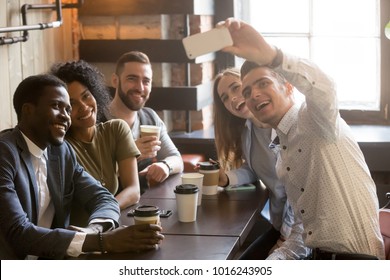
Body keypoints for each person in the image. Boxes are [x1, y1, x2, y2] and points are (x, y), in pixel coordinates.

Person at [218, 18, 385, 259]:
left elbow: (325, 87)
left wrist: (272, 55)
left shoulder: (313, 120)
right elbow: (303, 230)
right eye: (247, 91)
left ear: (287, 87)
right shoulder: (282, 154)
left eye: (263, 83)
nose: (253, 94)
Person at [0, 74, 164, 259]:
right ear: (28, 110)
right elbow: (17, 233)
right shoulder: (5, 153)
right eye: (56, 106)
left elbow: (104, 198)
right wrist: (103, 241)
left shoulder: (61, 152)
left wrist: (94, 230)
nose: (65, 116)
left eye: (67, 109)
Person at [213, 68, 309, 259]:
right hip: (278, 223)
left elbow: (300, 190)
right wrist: (227, 178)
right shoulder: (247, 132)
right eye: (225, 97)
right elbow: (255, 168)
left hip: (302, 230)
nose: (232, 98)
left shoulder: (292, 125)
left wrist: (285, 239)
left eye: (236, 88)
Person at [50, 60, 140, 218]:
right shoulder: (61, 147)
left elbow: (133, 191)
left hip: (107, 225)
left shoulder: (116, 129)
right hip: (79, 235)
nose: (84, 107)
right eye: (72, 104)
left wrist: (106, 213)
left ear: (95, 93)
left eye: (86, 96)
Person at [104, 51, 183, 192]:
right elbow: (91, 177)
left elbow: (176, 159)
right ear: (115, 81)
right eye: (132, 79)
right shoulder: (97, 120)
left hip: (143, 206)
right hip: (107, 207)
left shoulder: (150, 118)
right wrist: (129, 155)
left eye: (146, 81)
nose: (140, 87)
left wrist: (165, 166)